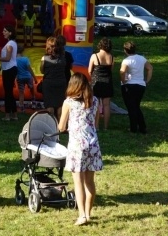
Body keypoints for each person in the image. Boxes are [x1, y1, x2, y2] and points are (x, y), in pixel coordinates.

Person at [58, 73, 103, 226]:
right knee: (90, 182)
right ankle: (88, 214)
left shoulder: (68, 103)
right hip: (93, 144)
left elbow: (61, 126)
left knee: (78, 182)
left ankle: (82, 215)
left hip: (77, 146)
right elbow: (96, 124)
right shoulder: (95, 101)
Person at [120, 41, 153, 134]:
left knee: (131, 107)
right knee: (136, 106)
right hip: (140, 85)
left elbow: (122, 72)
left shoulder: (126, 61)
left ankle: (134, 128)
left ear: (125, 50)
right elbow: (150, 68)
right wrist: (147, 80)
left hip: (129, 85)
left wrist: (123, 81)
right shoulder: (142, 58)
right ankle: (141, 127)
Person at [88, 37, 115, 131]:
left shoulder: (94, 56)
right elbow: (111, 70)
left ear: (100, 45)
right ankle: (106, 127)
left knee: (95, 104)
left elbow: (89, 70)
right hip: (107, 82)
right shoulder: (111, 57)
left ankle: (97, 126)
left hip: (96, 83)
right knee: (106, 105)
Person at [40, 36, 68, 120]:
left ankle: (51, 123)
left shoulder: (44, 58)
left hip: (49, 83)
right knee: (60, 105)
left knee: (50, 105)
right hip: (61, 82)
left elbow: (42, 71)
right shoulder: (63, 58)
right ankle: (60, 125)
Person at [0, 25, 19, 121]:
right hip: (9, 68)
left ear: (10, 33)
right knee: (9, 92)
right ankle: (14, 114)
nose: (3, 32)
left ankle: (7, 115)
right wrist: (0, 67)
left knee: (8, 93)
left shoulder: (10, 44)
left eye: (5, 31)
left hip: (9, 70)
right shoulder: (12, 43)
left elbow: (8, 58)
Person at [15, 45, 38, 111]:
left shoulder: (15, 60)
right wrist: (35, 78)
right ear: (23, 51)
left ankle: (21, 106)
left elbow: (15, 70)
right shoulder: (25, 59)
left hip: (20, 78)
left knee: (21, 92)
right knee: (31, 88)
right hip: (28, 77)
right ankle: (33, 100)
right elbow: (30, 69)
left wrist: (14, 79)